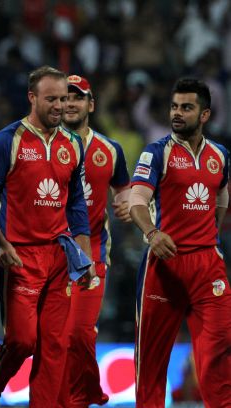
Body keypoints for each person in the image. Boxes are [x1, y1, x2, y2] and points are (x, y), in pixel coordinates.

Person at [0, 65, 95, 407]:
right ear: (32, 98)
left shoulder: (73, 144)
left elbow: (76, 203)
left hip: (59, 255)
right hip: (19, 255)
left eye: (63, 99)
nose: (59, 106)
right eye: (51, 99)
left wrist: (85, 259)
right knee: (23, 342)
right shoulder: (5, 141)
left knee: (55, 345)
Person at [130, 78, 230, 408]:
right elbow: (137, 200)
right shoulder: (156, 152)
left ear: (204, 114)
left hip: (207, 265)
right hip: (165, 265)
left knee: (219, 353)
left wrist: (209, 235)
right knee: (151, 364)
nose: (177, 113)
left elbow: (221, 196)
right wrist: (152, 233)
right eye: (174, 106)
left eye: (186, 107)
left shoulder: (221, 156)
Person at [59, 75, 131, 407]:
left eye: (78, 98)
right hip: (49, 255)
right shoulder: (44, 145)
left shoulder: (110, 150)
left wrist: (129, 205)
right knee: (54, 340)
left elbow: (127, 192)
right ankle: (73, 397)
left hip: (94, 254)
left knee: (78, 334)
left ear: (91, 105)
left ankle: (82, 394)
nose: (70, 103)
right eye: (65, 97)